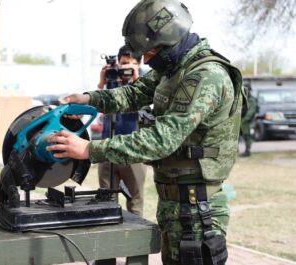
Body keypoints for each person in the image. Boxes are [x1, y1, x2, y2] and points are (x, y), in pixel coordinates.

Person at [46, 0, 244, 264]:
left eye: (149, 52)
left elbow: (162, 139)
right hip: (177, 204)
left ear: (169, 41)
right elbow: (134, 93)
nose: (146, 60)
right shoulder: (174, 68)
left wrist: (89, 149)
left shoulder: (204, 75)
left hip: (196, 210)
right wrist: (89, 99)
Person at [97, 46, 147, 216]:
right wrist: (102, 83)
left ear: (139, 63)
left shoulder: (146, 80)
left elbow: (146, 108)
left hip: (133, 148)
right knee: (106, 200)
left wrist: (136, 78)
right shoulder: (113, 77)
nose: (127, 67)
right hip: (107, 145)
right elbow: (99, 106)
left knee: (135, 200)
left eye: (132, 64)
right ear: (118, 62)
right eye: (124, 63)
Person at [239, 83, 257, 157]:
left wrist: (245, 119)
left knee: (247, 136)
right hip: (241, 120)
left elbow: (251, 111)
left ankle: (248, 150)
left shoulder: (251, 100)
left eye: (247, 90)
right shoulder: (243, 98)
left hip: (246, 121)